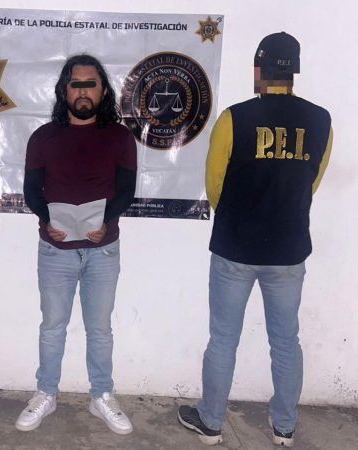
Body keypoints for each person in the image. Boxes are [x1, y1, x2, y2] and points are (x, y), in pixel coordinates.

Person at [177, 32, 333, 447]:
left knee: (223, 340)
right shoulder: (322, 121)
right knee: (286, 342)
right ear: (294, 71)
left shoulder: (234, 118)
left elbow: (214, 184)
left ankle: (211, 422)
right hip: (288, 250)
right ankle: (284, 427)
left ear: (259, 69)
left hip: (235, 248)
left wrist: (236, 215)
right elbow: (312, 181)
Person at [15, 54, 137, 435]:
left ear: (103, 91)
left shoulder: (120, 137)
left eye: (90, 84)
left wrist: (106, 221)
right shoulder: (42, 138)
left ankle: (101, 395)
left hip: (104, 250)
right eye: (76, 84)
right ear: (64, 90)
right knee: (53, 326)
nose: (83, 92)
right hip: (55, 251)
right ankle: (46, 393)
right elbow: (32, 191)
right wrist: (48, 220)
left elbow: (126, 191)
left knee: (100, 329)